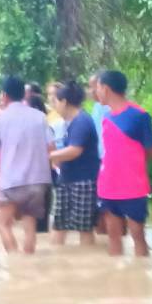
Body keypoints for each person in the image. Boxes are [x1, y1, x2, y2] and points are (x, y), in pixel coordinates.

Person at [0, 75, 52, 254]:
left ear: (4, 95)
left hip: (11, 180)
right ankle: (28, 262)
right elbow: (50, 147)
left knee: (2, 223)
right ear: (24, 94)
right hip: (38, 181)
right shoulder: (39, 116)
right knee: (30, 228)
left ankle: (15, 261)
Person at [93, 70, 152, 258]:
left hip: (133, 187)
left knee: (138, 236)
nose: (96, 93)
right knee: (113, 237)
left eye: (97, 88)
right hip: (108, 186)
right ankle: (117, 281)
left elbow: (149, 151)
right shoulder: (106, 117)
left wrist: (131, 168)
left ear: (105, 88)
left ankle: (142, 277)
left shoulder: (139, 115)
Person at [49, 80, 100, 246]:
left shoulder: (82, 121)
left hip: (83, 182)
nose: (53, 106)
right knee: (59, 225)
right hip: (67, 180)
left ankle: (87, 266)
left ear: (64, 102)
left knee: (84, 228)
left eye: (55, 101)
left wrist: (47, 156)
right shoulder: (71, 122)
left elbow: (74, 151)